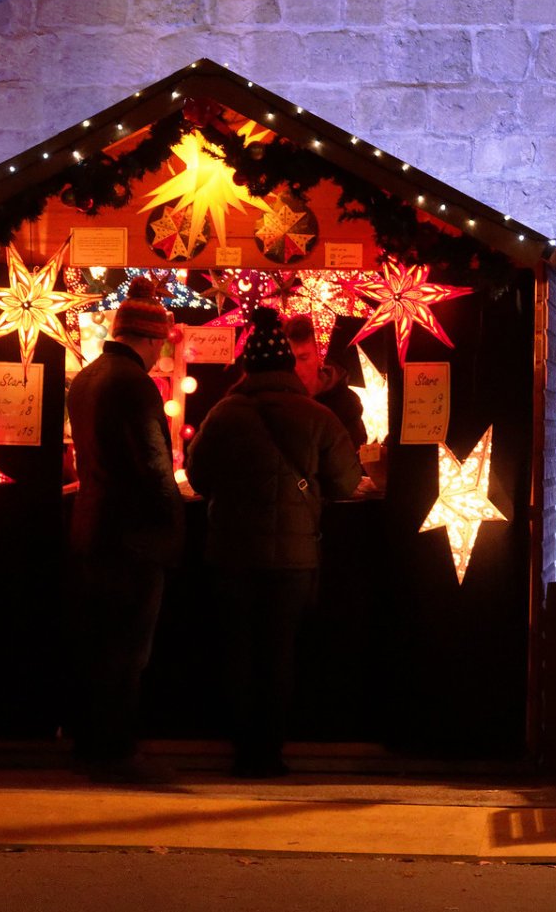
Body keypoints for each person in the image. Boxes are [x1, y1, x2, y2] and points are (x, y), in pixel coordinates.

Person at [185, 307, 366, 777]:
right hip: (293, 560)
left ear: (247, 368)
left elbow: (199, 476)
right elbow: (347, 483)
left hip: (231, 554)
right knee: (279, 652)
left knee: (237, 650)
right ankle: (269, 753)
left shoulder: (224, 413)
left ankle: (241, 750)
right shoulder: (319, 416)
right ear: (287, 365)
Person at [65, 275, 185, 784]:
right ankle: (115, 749)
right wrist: (173, 525)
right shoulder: (135, 386)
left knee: (95, 643)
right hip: (131, 536)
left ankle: (88, 740)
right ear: (152, 339)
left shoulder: (86, 379)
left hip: (90, 525)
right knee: (128, 650)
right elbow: (156, 468)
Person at [285, 313, 370, 448]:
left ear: (320, 356)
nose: (295, 367)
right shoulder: (280, 401)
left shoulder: (345, 402)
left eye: (303, 357)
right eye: (291, 358)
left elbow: (355, 450)